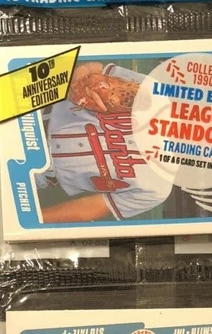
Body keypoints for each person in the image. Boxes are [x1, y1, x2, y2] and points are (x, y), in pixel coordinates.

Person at [36, 62, 173, 223]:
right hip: (36, 111)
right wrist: (78, 82)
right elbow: (92, 68)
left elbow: (89, 209)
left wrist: (31, 219)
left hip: (40, 172)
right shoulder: (154, 93)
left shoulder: (158, 189)